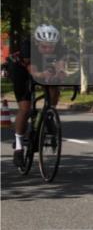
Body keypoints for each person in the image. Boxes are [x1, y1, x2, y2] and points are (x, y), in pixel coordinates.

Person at [7, 24, 68, 155]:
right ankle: (18, 146)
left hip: (42, 65)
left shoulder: (61, 48)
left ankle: (49, 113)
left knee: (54, 86)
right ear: (36, 43)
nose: (47, 49)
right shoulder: (28, 46)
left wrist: (60, 74)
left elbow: (60, 67)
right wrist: (43, 75)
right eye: (44, 46)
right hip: (20, 69)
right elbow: (34, 73)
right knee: (25, 108)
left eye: (51, 46)